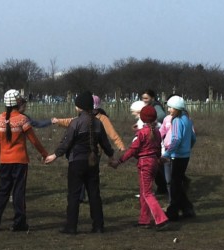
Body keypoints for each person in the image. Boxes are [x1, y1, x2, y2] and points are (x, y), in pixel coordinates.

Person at [44, 91, 115, 234]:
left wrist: (55, 155)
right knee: (94, 194)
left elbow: (66, 142)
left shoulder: (75, 123)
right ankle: (98, 226)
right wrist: (111, 156)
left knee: (74, 195)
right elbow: (105, 143)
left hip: (76, 162)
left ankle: (71, 226)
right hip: (92, 162)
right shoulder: (98, 123)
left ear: (79, 107)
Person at [0, 89, 49, 232]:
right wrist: (44, 154)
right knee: (18, 192)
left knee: (2, 191)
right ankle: (19, 223)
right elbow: (34, 140)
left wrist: (1, 157)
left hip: (5, 161)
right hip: (20, 162)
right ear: (17, 102)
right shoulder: (22, 119)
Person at [51, 94, 125, 203]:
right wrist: (58, 121)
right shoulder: (84, 117)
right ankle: (82, 197)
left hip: (94, 152)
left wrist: (121, 146)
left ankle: (88, 198)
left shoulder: (102, 119)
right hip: (82, 153)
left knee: (90, 176)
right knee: (84, 175)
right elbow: (70, 121)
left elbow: (112, 133)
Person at [109, 105, 169, 231]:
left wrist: (119, 161)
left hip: (145, 163)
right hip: (154, 162)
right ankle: (144, 219)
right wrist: (159, 159)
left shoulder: (142, 133)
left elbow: (132, 150)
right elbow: (158, 148)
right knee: (144, 192)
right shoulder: (157, 132)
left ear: (143, 118)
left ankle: (160, 218)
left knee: (147, 193)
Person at [161, 95, 196, 221]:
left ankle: (172, 212)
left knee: (175, 185)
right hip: (185, 156)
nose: (169, 109)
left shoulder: (176, 121)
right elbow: (193, 138)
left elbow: (176, 139)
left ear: (177, 108)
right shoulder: (187, 119)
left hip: (177, 156)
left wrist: (167, 154)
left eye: (171, 107)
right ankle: (187, 208)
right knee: (177, 184)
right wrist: (188, 148)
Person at [141, 89, 168, 195]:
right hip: (154, 134)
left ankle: (163, 187)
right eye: (143, 98)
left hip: (158, 136)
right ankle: (162, 186)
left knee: (158, 164)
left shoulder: (156, 106)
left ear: (152, 98)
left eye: (146, 98)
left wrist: (153, 119)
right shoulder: (150, 106)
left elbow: (162, 116)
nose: (144, 100)